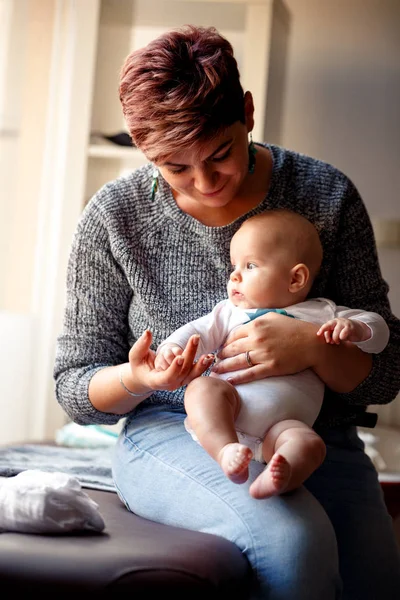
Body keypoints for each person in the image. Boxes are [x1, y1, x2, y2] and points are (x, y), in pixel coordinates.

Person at [54, 24, 400, 599]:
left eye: (220, 155)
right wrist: (139, 377)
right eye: (175, 167)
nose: (205, 183)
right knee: (296, 542)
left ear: (247, 111)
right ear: (144, 150)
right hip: (175, 433)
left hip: (311, 435)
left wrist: (313, 347)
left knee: (378, 582)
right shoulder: (114, 216)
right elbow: (74, 388)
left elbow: (388, 373)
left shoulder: (325, 195)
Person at [154, 209, 390, 499]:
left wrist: (354, 328)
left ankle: (281, 476)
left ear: (296, 279)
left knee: (309, 445)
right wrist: (171, 350)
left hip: (284, 427)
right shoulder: (229, 313)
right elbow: (196, 331)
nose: (235, 276)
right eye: (234, 266)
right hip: (231, 407)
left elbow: (379, 331)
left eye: (250, 265)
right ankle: (225, 450)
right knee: (201, 389)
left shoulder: (322, 312)